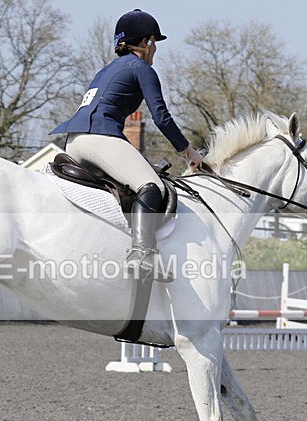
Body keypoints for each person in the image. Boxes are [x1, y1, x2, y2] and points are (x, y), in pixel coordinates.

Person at [50, 9, 204, 282]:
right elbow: (161, 117)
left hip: (74, 141)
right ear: (145, 43)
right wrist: (188, 152)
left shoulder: (108, 69)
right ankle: (142, 254)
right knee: (151, 186)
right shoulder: (141, 68)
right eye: (154, 42)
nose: (155, 48)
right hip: (100, 137)